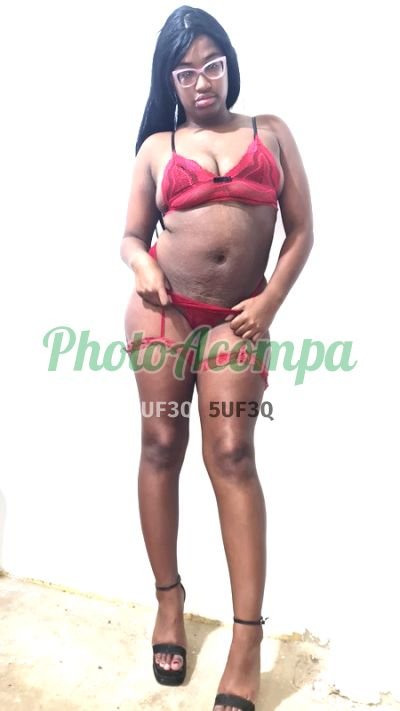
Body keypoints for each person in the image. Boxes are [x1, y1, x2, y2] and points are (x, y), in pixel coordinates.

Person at [120, 6, 314, 711]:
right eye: (185, 72)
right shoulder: (157, 147)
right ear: (168, 81)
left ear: (229, 64)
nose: (201, 81)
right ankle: (169, 602)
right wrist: (142, 263)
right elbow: (131, 236)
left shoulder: (271, 132)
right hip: (164, 313)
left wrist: (269, 304)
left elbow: (301, 233)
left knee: (232, 454)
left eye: (212, 65)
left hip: (238, 317)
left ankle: (247, 639)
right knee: (160, 445)